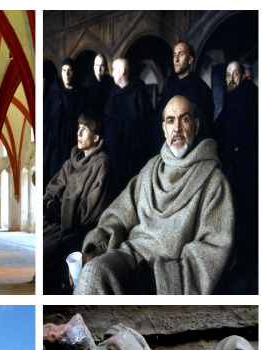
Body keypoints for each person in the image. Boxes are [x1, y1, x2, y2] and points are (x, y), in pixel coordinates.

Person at [74, 95, 233, 295]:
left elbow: (210, 251)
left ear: (196, 125)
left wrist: (157, 281)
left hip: (164, 274)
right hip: (129, 256)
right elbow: (119, 213)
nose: (177, 128)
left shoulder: (214, 181)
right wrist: (95, 248)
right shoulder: (151, 168)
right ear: (164, 129)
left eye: (184, 119)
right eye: (170, 120)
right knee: (93, 273)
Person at [42, 112, 113, 294]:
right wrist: (50, 205)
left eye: (85, 129)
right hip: (56, 224)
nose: (79, 133)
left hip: (76, 229)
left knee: (46, 252)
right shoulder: (70, 163)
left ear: (96, 137)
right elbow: (52, 190)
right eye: (78, 128)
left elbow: (92, 209)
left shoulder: (102, 166)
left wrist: (63, 210)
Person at [213, 61, 258, 293]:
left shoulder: (250, 98)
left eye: (235, 74)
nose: (231, 79)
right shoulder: (233, 101)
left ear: (244, 76)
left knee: (245, 220)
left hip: (246, 171)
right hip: (234, 168)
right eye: (228, 74)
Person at [153, 41, 214, 153]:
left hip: (189, 150)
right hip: (164, 148)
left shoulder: (201, 89)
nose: (176, 60)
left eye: (181, 54)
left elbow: (204, 127)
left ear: (190, 60)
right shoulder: (168, 85)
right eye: (174, 55)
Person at [104, 58, 154, 194]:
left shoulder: (139, 94)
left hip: (133, 162)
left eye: (114, 70)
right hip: (113, 160)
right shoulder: (113, 94)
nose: (112, 73)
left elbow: (147, 131)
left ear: (122, 71)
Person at [43, 58, 90, 189]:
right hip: (55, 147)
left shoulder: (81, 94)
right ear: (61, 72)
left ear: (73, 73)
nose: (67, 74)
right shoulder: (54, 93)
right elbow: (45, 123)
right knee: (54, 181)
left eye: (70, 71)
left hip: (73, 145)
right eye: (64, 70)